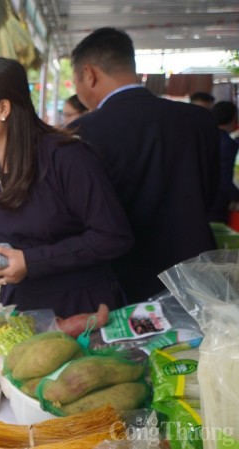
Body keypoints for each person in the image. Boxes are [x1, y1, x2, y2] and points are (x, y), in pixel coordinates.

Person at [0, 57, 134, 318]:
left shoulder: (67, 158)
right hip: (22, 309)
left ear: (2, 108)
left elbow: (112, 236)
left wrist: (31, 262)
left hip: (82, 310)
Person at [71, 27, 219, 303]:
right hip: (197, 277)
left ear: (89, 74)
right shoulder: (200, 120)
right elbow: (210, 192)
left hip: (125, 280)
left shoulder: (82, 131)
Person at [209, 101, 239, 224]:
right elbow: (225, 177)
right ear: (233, 118)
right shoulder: (228, 144)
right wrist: (236, 197)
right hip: (218, 202)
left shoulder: (205, 137)